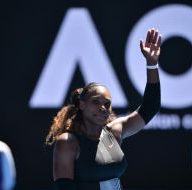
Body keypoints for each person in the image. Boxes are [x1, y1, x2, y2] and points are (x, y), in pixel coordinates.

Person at [45, 28, 161, 190]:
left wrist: (152, 64)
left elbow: (150, 107)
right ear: (82, 104)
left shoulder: (115, 131)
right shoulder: (67, 142)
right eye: (96, 102)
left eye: (107, 103)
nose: (102, 108)